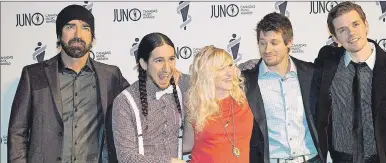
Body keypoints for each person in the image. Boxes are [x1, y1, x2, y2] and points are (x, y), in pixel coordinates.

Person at [7, 4, 129, 163]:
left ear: (92, 36)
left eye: (85, 28)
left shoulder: (111, 76)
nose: (78, 34)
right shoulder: (34, 74)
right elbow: (18, 132)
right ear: (59, 34)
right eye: (70, 26)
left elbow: (137, 106)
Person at [315, 1, 386, 163]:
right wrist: (257, 66)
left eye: (355, 24)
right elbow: (299, 71)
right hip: (340, 159)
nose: (351, 33)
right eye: (342, 30)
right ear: (335, 38)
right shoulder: (327, 63)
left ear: (366, 25)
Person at [242, 12, 324, 163]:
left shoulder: (312, 74)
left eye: (274, 42)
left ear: (289, 42)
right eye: (262, 43)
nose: (267, 50)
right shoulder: (246, 81)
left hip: (312, 159)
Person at [112, 32, 188, 163]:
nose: (167, 68)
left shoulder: (182, 85)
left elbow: (209, 79)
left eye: (171, 59)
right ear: (143, 63)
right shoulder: (125, 101)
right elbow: (126, 158)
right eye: (159, 60)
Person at [183, 45, 253, 162]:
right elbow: (187, 145)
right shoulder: (195, 105)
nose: (229, 73)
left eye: (230, 65)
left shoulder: (246, 101)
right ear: (207, 74)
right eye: (221, 68)